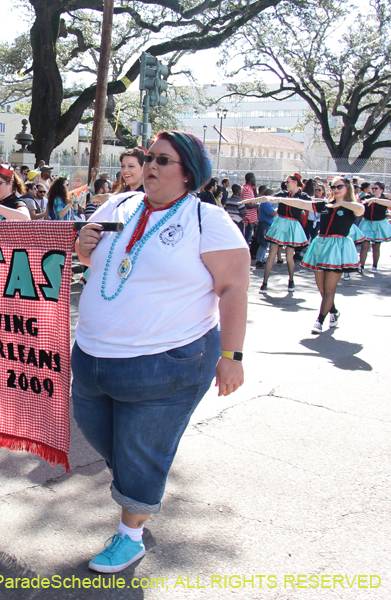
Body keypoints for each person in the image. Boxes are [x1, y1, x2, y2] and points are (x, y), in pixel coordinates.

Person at [73, 130, 248, 573]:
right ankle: (139, 488)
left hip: (166, 364)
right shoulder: (121, 205)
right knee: (113, 444)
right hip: (93, 358)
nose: (150, 166)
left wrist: (233, 355)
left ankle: (130, 534)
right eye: (148, 157)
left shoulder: (209, 221)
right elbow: (103, 263)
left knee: (142, 451)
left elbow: (232, 288)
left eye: (162, 161)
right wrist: (81, 248)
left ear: (189, 173)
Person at [266, 177, 364, 333]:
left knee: (329, 288)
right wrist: (278, 198)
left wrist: (340, 203)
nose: (335, 189)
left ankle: (320, 320)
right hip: (321, 246)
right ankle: (333, 311)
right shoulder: (324, 205)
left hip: (337, 249)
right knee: (321, 288)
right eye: (333, 186)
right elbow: (301, 204)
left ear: (347, 188)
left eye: (339, 186)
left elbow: (360, 209)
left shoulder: (351, 207)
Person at [260, 173, 309, 292]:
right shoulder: (283, 194)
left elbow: (313, 204)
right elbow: (270, 198)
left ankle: (291, 280)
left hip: (292, 226)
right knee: (272, 254)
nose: (286, 184)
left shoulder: (303, 196)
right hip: (280, 223)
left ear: (295, 182)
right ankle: (264, 282)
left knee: (289, 256)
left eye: (288, 181)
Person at [358, 182, 391, 273]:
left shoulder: (384, 200)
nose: (373, 190)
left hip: (379, 224)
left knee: (376, 247)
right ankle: (361, 266)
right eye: (373, 188)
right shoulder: (365, 198)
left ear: (381, 190)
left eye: (376, 188)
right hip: (367, 223)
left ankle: (374, 266)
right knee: (364, 245)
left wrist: (376, 199)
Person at [254, 190, 277, 267]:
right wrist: (277, 210)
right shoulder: (265, 203)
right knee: (264, 243)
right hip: (265, 224)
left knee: (265, 243)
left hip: (265, 224)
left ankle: (261, 259)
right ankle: (259, 260)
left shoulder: (263, 203)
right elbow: (272, 213)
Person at [240, 172, 258, 250]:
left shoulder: (250, 189)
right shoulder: (246, 189)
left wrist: (254, 190)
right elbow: (247, 204)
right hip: (248, 219)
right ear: (251, 179)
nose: (255, 180)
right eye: (254, 178)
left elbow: (254, 199)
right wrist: (257, 205)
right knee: (246, 239)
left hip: (251, 220)